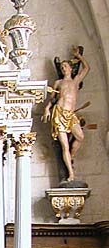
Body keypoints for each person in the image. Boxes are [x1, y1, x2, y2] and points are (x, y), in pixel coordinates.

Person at [42, 47, 89, 182]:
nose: (63, 68)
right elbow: (52, 99)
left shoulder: (75, 81)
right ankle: (71, 174)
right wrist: (47, 109)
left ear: (70, 68)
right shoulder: (58, 83)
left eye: (65, 66)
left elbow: (86, 68)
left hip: (70, 114)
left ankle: (71, 156)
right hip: (59, 113)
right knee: (64, 146)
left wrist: (79, 56)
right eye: (61, 67)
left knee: (80, 136)